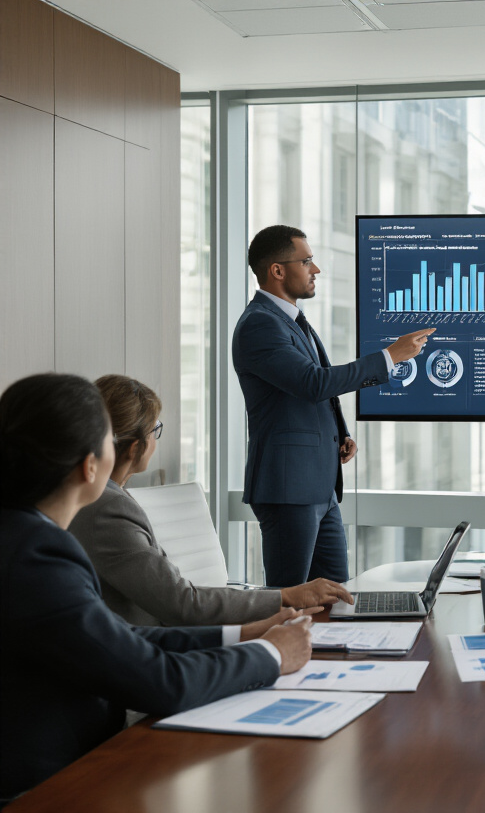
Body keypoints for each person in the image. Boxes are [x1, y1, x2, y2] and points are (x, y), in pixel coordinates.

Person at [0, 374, 313, 804]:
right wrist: (273, 655)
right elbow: (161, 682)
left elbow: (119, 636)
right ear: (90, 466)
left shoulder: (21, 534)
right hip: (47, 785)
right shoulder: (38, 555)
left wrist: (242, 634)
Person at [232, 225, 434, 587]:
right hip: (288, 488)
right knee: (291, 600)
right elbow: (313, 382)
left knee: (335, 597)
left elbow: (306, 390)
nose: (316, 270)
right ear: (277, 270)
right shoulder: (260, 325)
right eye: (307, 261)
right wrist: (390, 357)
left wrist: (339, 433)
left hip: (320, 486)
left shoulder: (291, 321)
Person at [68, 374, 355, 627]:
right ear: (134, 448)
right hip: (154, 651)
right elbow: (181, 604)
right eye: (155, 429)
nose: (157, 438)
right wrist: (285, 596)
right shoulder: (107, 507)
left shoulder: (97, 496)